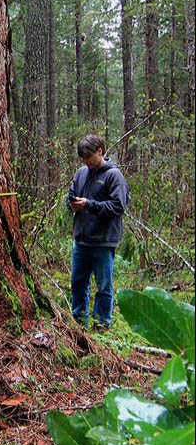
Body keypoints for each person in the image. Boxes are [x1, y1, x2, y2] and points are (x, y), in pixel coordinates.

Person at [67, 134, 129, 331]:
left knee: (103, 286)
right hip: (82, 240)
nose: (86, 161)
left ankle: (101, 325)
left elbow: (118, 207)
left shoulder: (113, 175)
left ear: (100, 151)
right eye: (83, 158)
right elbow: (72, 197)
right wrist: (72, 204)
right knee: (78, 282)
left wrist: (89, 204)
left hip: (103, 241)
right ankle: (78, 323)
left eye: (89, 157)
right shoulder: (80, 174)